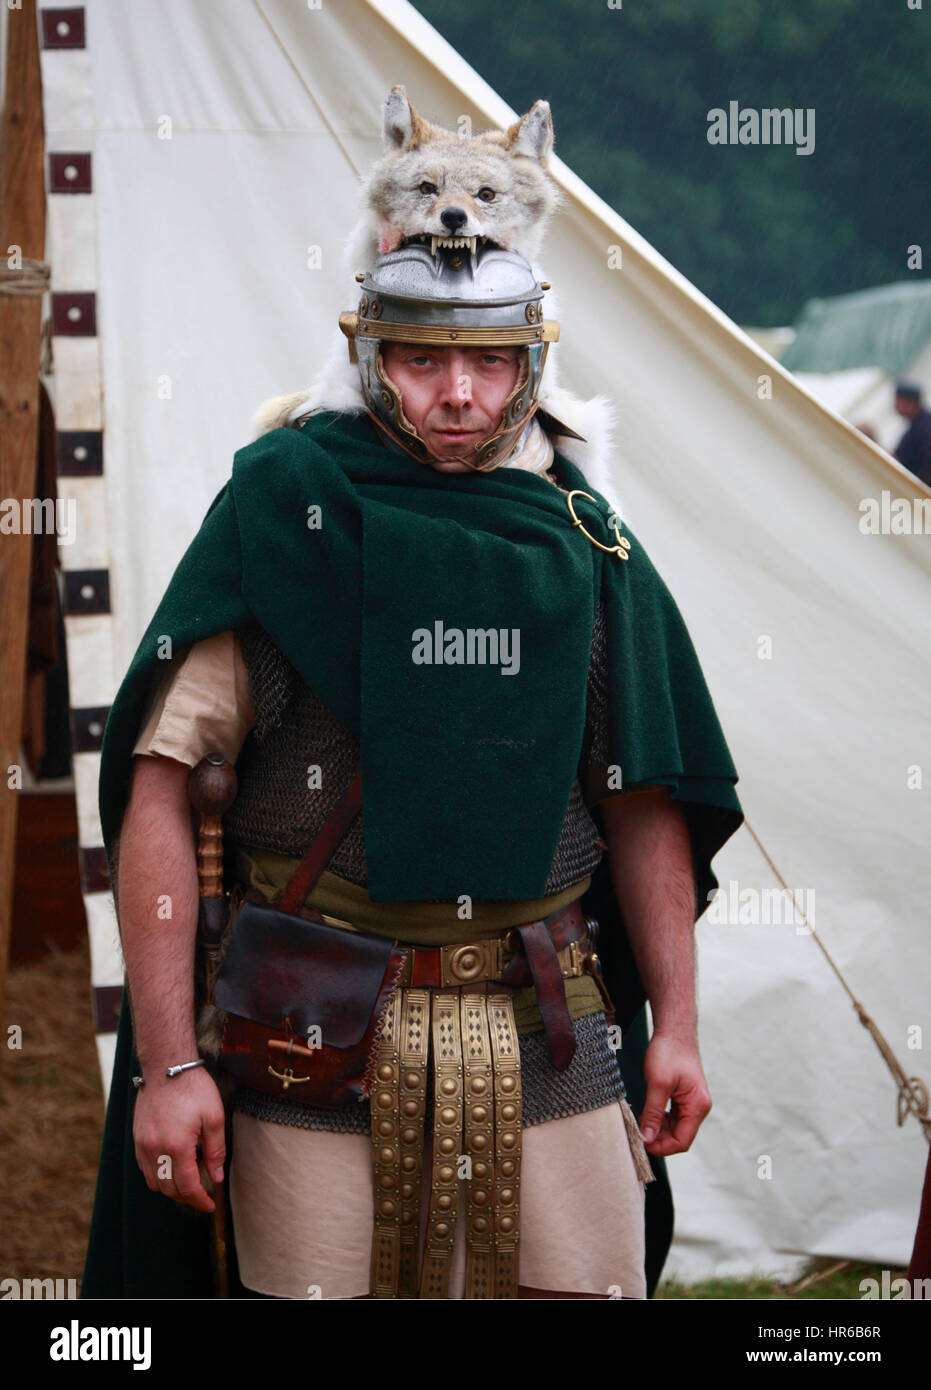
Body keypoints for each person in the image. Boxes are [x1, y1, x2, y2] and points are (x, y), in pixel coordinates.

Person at [82, 243, 743, 1300]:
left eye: (486, 362)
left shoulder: (582, 541)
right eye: (422, 361)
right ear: (367, 357)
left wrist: (679, 1028)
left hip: (548, 1017)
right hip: (310, 1030)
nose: (458, 395)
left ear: (532, 365)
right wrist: (168, 1064)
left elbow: (643, 798)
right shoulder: (283, 519)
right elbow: (161, 782)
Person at [893, 382, 931, 487]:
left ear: (910, 403)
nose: (895, 405)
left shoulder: (923, 428)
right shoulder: (918, 426)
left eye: (898, 401)